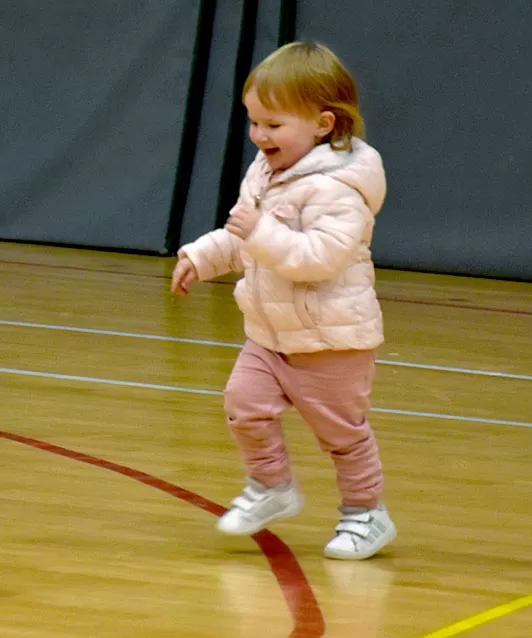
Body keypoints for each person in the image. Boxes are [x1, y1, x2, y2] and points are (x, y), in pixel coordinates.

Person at [170, 41, 395, 560]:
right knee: (244, 407)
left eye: (273, 124)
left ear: (322, 124)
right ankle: (272, 488)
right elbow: (243, 234)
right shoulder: (265, 172)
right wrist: (202, 257)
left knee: (343, 436)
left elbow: (317, 258)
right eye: (253, 122)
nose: (258, 135)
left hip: (332, 340)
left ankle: (367, 515)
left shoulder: (341, 189)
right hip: (269, 334)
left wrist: (260, 230)